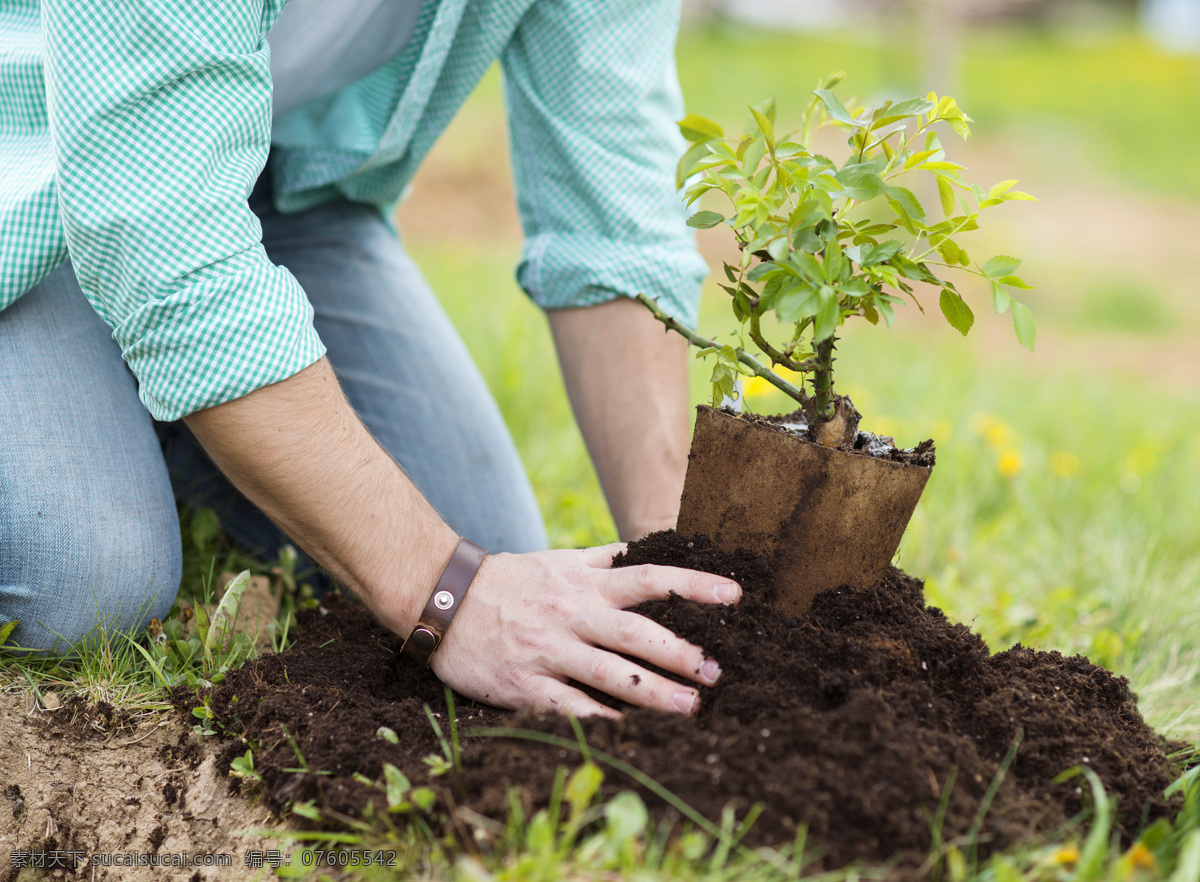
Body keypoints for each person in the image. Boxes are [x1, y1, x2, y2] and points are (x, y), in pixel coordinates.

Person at [0, 0, 740, 718]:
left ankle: (160, 397)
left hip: (281, 187)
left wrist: (682, 576)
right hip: (37, 158)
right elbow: (164, 232)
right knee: (84, 581)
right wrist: (447, 597)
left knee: (487, 544)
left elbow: (614, 207)